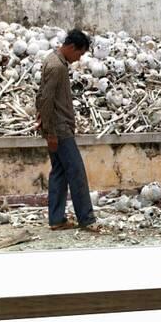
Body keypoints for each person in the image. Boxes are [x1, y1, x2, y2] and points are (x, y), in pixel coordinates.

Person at [35, 29, 103, 234]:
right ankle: (87, 219)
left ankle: (57, 219)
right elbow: (46, 99)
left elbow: (42, 96)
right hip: (60, 129)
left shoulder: (53, 60)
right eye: (79, 54)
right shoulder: (57, 67)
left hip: (56, 126)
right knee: (76, 172)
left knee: (59, 172)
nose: (78, 59)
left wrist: (43, 123)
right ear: (72, 47)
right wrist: (50, 132)